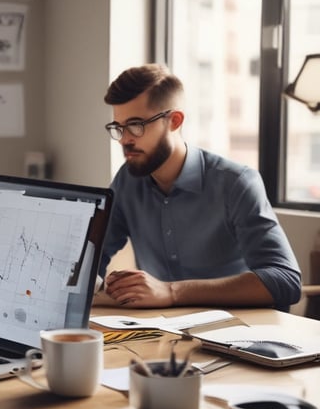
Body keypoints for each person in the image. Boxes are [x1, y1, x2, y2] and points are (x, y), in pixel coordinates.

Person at [95, 63, 301, 312]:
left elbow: (285, 280)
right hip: (162, 330)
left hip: (237, 331)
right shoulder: (127, 181)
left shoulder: (236, 183)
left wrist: (171, 291)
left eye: (136, 125)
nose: (125, 139)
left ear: (175, 121)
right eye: (119, 128)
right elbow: (91, 258)